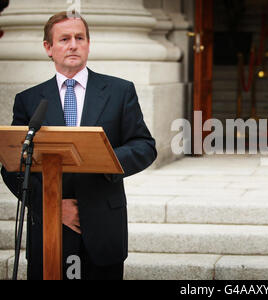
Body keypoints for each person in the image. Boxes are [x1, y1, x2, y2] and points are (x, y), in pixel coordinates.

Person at [1, 11, 157, 280]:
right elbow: (13, 163)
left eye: (79, 37)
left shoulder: (120, 92)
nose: (73, 44)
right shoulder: (28, 101)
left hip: (102, 225)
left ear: (88, 44)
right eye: (64, 39)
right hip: (49, 228)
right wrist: (52, 206)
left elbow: (144, 145)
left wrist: (106, 159)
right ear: (48, 48)